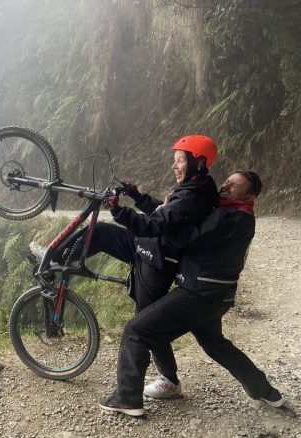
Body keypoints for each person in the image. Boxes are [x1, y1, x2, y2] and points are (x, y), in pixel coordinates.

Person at [32, 135, 219, 390]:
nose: (174, 166)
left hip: (157, 260)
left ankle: (169, 380)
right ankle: (52, 255)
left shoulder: (193, 196)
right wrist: (138, 197)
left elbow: (154, 224)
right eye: (174, 160)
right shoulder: (196, 187)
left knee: (146, 321)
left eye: (179, 161)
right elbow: (165, 215)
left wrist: (119, 210)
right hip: (149, 248)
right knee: (100, 232)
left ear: (198, 162)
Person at [99, 170, 284, 417]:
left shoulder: (231, 218)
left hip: (200, 294)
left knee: (137, 330)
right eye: (227, 180)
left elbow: (180, 232)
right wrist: (140, 198)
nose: (226, 185)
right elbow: (176, 218)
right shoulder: (229, 211)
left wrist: (121, 212)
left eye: (235, 185)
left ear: (250, 196)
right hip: (216, 296)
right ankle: (265, 391)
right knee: (215, 344)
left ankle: (127, 398)